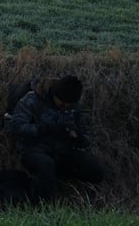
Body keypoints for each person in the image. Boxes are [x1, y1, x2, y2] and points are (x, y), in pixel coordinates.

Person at [8, 74, 105, 202]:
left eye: (69, 104)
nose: (65, 106)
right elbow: (16, 127)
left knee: (96, 169)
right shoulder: (32, 100)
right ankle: (43, 207)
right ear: (55, 94)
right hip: (34, 150)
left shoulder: (74, 107)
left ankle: (80, 199)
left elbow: (86, 137)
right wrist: (44, 129)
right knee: (46, 165)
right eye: (63, 102)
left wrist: (77, 137)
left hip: (62, 152)